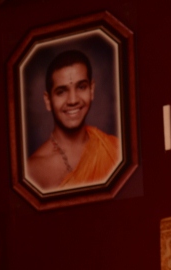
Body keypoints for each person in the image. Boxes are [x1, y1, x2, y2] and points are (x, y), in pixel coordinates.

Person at [26, 49, 120, 191]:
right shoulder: (32, 171)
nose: (73, 100)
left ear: (91, 90)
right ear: (48, 100)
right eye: (61, 92)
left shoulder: (114, 150)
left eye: (81, 87)